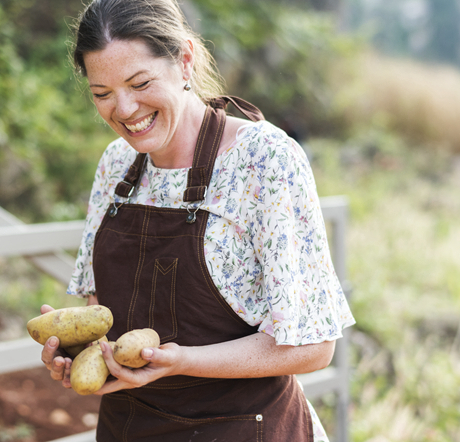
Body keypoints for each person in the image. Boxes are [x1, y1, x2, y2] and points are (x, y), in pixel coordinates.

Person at [39, 0, 356, 440]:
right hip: (130, 428)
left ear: (185, 60)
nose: (125, 109)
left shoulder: (263, 160)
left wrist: (182, 361)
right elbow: (102, 311)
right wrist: (83, 354)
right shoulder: (117, 164)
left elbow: (314, 347)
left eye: (140, 82)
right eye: (102, 94)